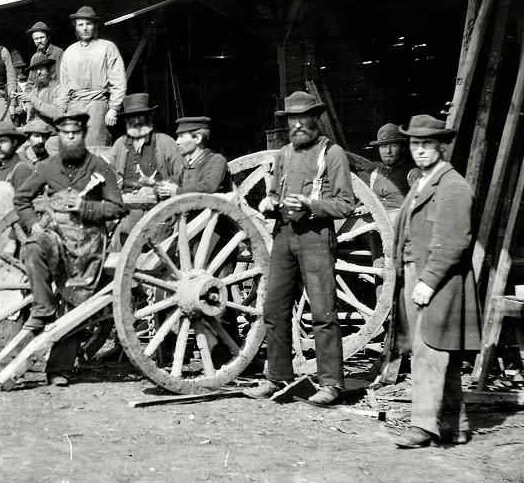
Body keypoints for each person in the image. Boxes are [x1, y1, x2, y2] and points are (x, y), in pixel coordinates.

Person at [249, 91, 356, 405]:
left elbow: (346, 204)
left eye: (303, 118)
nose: (297, 125)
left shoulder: (332, 154)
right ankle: (277, 377)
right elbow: (272, 193)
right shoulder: (282, 154)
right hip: (284, 236)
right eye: (292, 119)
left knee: (323, 312)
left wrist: (312, 204)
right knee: (273, 310)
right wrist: (268, 203)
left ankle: (331, 384)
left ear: (315, 118)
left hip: (316, 238)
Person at [15, 112, 125, 386]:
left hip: (88, 243)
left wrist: (86, 207)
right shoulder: (48, 166)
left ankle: (58, 370)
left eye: (75, 133)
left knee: (77, 303)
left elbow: (117, 207)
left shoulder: (100, 167)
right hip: (56, 237)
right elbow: (22, 199)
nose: (71, 138)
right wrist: (32, 224)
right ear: (60, 137)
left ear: (83, 135)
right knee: (33, 247)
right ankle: (43, 308)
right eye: (65, 134)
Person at [389, 115, 480, 448]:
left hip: (439, 280)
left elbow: (453, 241)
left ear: (441, 146)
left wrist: (427, 281)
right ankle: (456, 426)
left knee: (428, 353)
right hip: (418, 273)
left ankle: (423, 427)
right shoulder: (422, 182)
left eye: (427, 144)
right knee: (441, 353)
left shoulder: (453, 186)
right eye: (415, 144)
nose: (420, 151)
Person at [109, 94, 183, 238]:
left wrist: (156, 187)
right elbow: (108, 174)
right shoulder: (120, 144)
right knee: (118, 237)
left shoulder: (165, 143)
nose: (136, 121)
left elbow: (182, 175)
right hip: (126, 208)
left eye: (140, 116)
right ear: (126, 120)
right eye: (132, 117)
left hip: (158, 208)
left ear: (149, 117)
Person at [55, 6, 126, 147]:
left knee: (97, 148)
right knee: (74, 148)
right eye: (81, 25)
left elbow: (118, 80)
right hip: (74, 107)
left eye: (89, 24)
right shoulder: (70, 51)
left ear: (95, 26)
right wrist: (61, 110)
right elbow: (64, 85)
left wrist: (113, 108)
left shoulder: (107, 47)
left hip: (98, 107)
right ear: (76, 27)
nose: (85, 28)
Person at [0, 125, 34, 228]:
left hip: (11, 232)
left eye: (3, 141)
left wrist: (13, 239)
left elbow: (24, 209)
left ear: (14, 143)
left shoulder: (21, 170)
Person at [173, 116, 230, 194]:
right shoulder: (187, 163)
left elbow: (209, 186)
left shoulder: (216, 160)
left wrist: (178, 191)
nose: (177, 142)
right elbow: (176, 180)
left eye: (181, 136)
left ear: (198, 138)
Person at [367, 123, 416, 210]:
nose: (388, 151)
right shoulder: (374, 175)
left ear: (403, 148)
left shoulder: (412, 174)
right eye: (383, 146)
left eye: (393, 146)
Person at [20, 53, 61, 126]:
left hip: (51, 133)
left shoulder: (57, 88)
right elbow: (30, 119)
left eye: (41, 68)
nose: (38, 72)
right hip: (34, 132)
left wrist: (32, 99)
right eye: (36, 69)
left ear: (49, 70)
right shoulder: (34, 90)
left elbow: (57, 113)